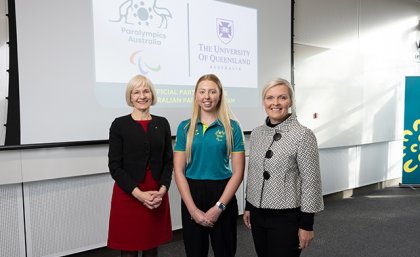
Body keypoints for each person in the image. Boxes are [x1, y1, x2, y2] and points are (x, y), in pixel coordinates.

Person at [243, 78, 324, 257]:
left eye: (282, 97)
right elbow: (254, 173)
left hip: (287, 217)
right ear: (264, 102)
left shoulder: (303, 135)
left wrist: (306, 225)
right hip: (258, 214)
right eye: (270, 98)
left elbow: (311, 182)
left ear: (291, 101)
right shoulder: (257, 133)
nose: (276, 103)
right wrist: (249, 206)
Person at [173, 74, 245, 257]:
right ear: (196, 96)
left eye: (212, 91)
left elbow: (238, 173)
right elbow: (179, 172)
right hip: (193, 193)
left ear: (220, 95)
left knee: (225, 251)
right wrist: (193, 210)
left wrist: (219, 207)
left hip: (223, 193)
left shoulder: (232, 127)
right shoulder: (184, 127)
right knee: (195, 252)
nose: (207, 96)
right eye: (202, 91)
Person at [107, 75, 173, 257]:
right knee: (128, 250)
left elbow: (169, 161)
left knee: (151, 248)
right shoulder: (119, 124)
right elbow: (114, 166)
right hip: (129, 195)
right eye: (136, 92)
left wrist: (162, 190)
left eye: (146, 91)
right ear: (130, 96)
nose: (142, 96)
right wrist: (139, 194)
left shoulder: (162, 123)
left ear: (152, 94)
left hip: (155, 195)